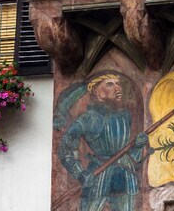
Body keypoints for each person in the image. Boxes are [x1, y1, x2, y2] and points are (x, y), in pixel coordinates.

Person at [57, 73, 142, 211]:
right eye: (110, 84)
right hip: (98, 176)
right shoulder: (88, 119)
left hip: (125, 175)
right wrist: (80, 174)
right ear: (96, 90)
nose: (117, 88)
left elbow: (131, 156)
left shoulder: (125, 116)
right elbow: (64, 148)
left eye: (118, 83)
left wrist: (137, 147)